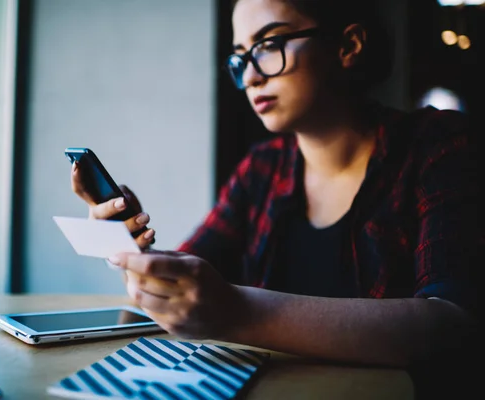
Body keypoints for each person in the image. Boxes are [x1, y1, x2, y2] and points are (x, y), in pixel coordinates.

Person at [71, 0, 482, 397]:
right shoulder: (262, 170)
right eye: (240, 57)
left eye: (269, 45)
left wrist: (238, 311)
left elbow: (451, 323)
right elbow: (186, 283)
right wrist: (128, 249)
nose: (250, 76)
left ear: (347, 46)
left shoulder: (437, 145)